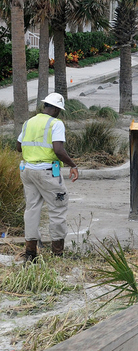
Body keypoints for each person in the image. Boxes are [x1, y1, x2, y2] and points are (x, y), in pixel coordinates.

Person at [17, 93, 79, 262]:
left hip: (27, 171)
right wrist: (73, 165)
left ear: (45, 106)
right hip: (46, 172)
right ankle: (57, 254)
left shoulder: (29, 122)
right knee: (58, 207)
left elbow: (18, 147)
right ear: (57, 109)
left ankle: (30, 253)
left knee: (31, 209)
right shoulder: (55, 123)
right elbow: (58, 150)